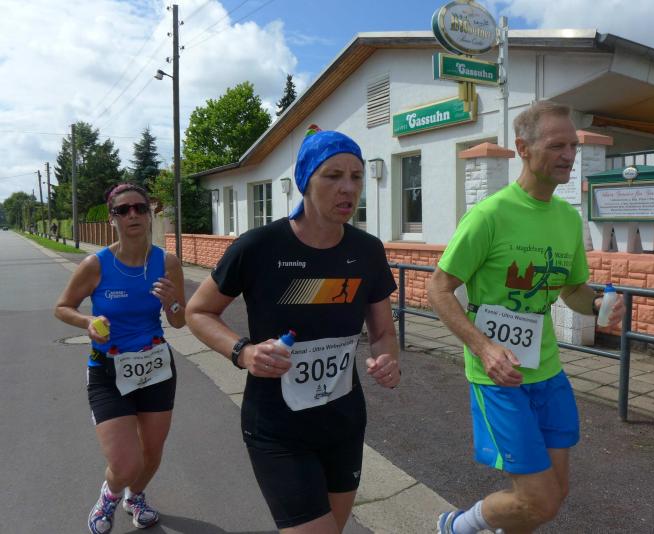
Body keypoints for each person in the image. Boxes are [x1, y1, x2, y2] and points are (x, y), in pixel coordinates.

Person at [185, 127, 401, 534]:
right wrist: (244, 352)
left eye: (356, 177)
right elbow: (198, 312)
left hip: (343, 422)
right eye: (333, 175)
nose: (348, 188)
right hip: (277, 428)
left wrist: (388, 358)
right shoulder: (258, 247)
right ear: (305, 181)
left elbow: (382, 332)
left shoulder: (367, 251)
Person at [428, 101, 624, 534]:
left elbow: (571, 289)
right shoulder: (490, 215)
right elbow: (437, 289)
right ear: (523, 148)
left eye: (572, 146)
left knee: (553, 494)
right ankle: (457, 526)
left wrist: (597, 305)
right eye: (557, 146)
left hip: (548, 372)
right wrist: (484, 348)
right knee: (540, 499)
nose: (568, 155)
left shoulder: (568, 218)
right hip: (498, 376)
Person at [54, 183, 186, 534]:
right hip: (108, 370)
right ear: (112, 218)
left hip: (156, 367)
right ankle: (110, 495)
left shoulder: (167, 262)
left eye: (140, 208)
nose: (133, 215)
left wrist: (172, 301)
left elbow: (179, 320)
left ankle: (135, 497)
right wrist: (87, 322)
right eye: (123, 210)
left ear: (150, 214)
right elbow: (62, 307)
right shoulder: (96, 265)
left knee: (151, 453)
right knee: (125, 463)